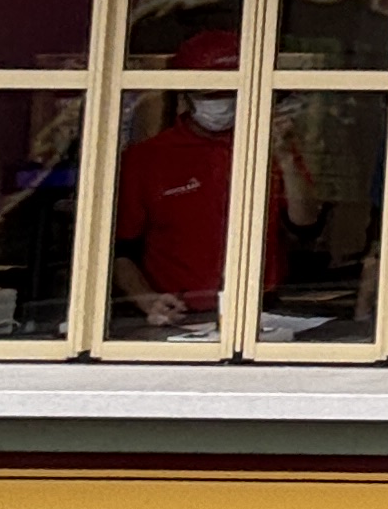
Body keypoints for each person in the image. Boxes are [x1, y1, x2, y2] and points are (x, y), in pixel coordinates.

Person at [111, 31, 281, 330]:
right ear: (186, 93)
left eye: (229, 93)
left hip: (265, 313)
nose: (220, 104)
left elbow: (306, 224)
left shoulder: (269, 147)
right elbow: (119, 250)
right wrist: (147, 300)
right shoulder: (147, 158)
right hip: (178, 315)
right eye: (208, 94)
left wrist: (284, 155)